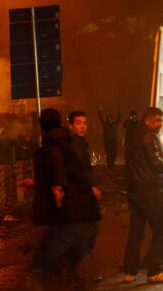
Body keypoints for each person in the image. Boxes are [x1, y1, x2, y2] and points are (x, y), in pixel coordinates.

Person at [28, 108, 101, 290]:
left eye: (85, 123)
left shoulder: (55, 144)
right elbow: (67, 168)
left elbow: (59, 166)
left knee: (57, 242)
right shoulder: (66, 142)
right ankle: (70, 273)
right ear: (66, 124)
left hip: (73, 204)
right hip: (80, 204)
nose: (83, 127)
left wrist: (58, 187)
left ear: (41, 126)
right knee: (74, 238)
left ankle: (42, 272)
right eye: (79, 123)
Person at [123, 107, 163, 283]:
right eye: (157, 120)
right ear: (147, 121)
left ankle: (130, 272)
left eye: (161, 121)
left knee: (136, 232)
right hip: (150, 191)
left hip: (135, 191)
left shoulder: (132, 135)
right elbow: (155, 164)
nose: (160, 124)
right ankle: (155, 271)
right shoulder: (148, 137)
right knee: (161, 231)